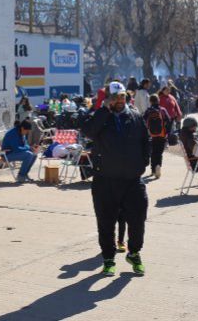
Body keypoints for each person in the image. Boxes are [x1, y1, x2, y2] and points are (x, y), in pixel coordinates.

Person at [81, 81, 149, 277]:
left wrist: (143, 163)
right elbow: (88, 131)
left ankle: (134, 253)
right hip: (105, 180)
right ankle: (108, 258)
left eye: (122, 97)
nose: (119, 101)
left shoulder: (135, 116)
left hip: (132, 180)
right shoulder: (101, 117)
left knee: (138, 219)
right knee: (106, 221)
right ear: (107, 99)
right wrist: (103, 110)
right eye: (114, 97)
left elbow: (146, 141)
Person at [144, 94, 172, 178]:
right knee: (159, 152)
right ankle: (158, 166)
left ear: (150, 101)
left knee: (153, 152)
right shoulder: (162, 110)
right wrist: (167, 132)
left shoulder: (148, 111)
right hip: (162, 134)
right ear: (158, 101)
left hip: (151, 135)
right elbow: (169, 121)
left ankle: (153, 170)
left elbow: (143, 121)